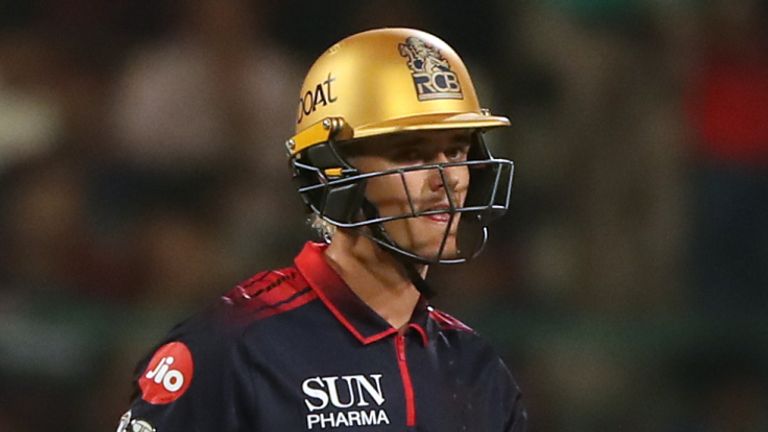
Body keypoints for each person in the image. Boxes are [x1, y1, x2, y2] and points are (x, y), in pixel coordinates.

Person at [117, 28, 526, 432]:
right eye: (412, 154)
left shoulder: (477, 370)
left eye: (456, 150)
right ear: (335, 174)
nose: (448, 177)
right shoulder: (234, 347)